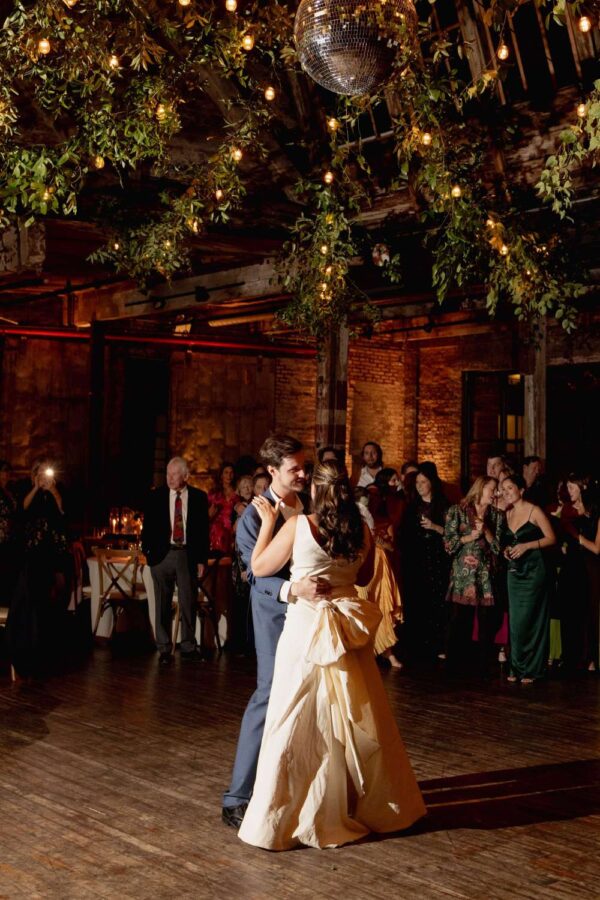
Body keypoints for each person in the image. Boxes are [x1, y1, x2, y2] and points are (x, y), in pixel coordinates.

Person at [237, 461, 426, 850]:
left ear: (317, 492)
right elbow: (361, 578)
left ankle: (284, 815)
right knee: (349, 718)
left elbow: (258, 567)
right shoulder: (361, 531)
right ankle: (359, 803)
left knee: (295, 717)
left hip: (306, 632)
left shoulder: (298, 525)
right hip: (344, 634)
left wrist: (270, 522)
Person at [222, 434, 328, 828]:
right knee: (268, 697)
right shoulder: (254, 516)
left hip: (310, 614)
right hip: (273, 616)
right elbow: (255, 576)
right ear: (271, 471)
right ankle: (236, 796)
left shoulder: (309, 505)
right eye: (293, 469)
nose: (302, 473)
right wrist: (291, 589)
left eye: (304, 467)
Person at [141, 456, 209, 665]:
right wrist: (150, 555)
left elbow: (202, 531)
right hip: (162, 556)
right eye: (168, 474)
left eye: (174, 474)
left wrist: (201, 560)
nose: (169, 478)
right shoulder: (156, 496)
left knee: (188, 602)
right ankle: (164, 649)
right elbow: (147, 528)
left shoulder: (198, 497)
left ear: (185, 476)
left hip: (187, 554)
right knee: (162, 602)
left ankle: (188, 646)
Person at [7, 459, 71, 678]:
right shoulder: (27, 489)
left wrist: (52, 488)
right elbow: (22, 510)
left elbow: (63, 511)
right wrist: (36, 486)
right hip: (30, 553)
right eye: (39, 473)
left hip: (50, 554)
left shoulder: (56, 490)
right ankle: (28, 648)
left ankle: (46, 650)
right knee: (30, 601)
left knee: (49, 602)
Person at [444, 476, 505, 675]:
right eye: (493, 489)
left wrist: (486, 531)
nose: (496, 494)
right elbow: (448, 544)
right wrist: (469, 537)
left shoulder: (497, 516)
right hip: (463, 575)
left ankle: (482, 666)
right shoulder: (457, 511)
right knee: (458, 619)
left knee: (487, 622)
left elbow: (498, 548)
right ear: (480, 489)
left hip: (486, 575)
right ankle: (455, 664)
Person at [501, 474, 556, 684]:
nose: (506, 492)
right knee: (516, 622)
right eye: (503, 489)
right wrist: (507, 551)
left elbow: (551, 538)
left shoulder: (534, 511)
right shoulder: (508, 513)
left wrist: (527, 545)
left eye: (510, 488)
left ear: (521, 490)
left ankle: (532, 669)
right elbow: (509, 541)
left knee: (532, 619)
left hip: (534, 571)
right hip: (514, 572)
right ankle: (516, 666)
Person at [402, 462, 450, 662]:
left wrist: (434, 527)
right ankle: (419, 645)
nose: (419, 486)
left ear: (432, 482)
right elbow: (404, 535)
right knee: (418, 600)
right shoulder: (412, 507)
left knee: (438, 602)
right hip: (418, 560)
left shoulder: (443, 505)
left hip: (439, 559)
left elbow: (454, 534)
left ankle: (440, 644)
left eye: (423, 482)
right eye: (417, 482)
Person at [359, 468, 404, 669]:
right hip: (362, 564)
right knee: (363, 605)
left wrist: (378, 539)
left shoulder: (385, 522)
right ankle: (364, 651)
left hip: (381, 565)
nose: (371, 500)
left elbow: (391, 546)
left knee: (382, 605)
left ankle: (387, 650)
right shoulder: (357, 521)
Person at [557, 474, 600, 673]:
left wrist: (576, 536)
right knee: (569, 610)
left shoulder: (594, 512)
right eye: (568, 487)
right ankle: (570, 656)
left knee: (589, 611)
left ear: (583, 488)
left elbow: (596, 548)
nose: (570, 491)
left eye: (573, 488)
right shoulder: (566, 510)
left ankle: (590, 656)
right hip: (572, 565)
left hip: (590, 565)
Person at [208, 462, 239, 554]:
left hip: (233, 530)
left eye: (231, 472)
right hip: (216, 532)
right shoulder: (213, 493)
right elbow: (207, 515)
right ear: (221, 475)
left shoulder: (237, 491)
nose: (229, 475)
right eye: (226, 472)